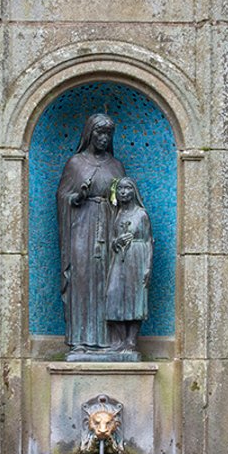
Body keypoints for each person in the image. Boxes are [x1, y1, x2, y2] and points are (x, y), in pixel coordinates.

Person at [56, 113, 125, 355]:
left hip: (107, 228)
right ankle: (80, 340)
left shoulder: (116, 166)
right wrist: (78, 196)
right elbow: (63, 197)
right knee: (82, 279)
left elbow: (123, 199)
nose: (104, 138)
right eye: (99, 133)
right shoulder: (76, 163)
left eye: (108, 134)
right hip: (81, 227)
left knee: (108, 281)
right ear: (89, 133)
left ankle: (110, 340)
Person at [105, 176, 152, 355]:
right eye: (121, 189)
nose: (123, 192)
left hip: (137, 258)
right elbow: (111, 239)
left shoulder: (141, 214)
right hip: (119, 259)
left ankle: (131, 342)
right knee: (114, 294)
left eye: (127, 188)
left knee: (135, 299)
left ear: (134, 191)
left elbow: (148, 241)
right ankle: (119, 341)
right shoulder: (117, 214)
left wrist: (147, 267)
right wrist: (116, 242)